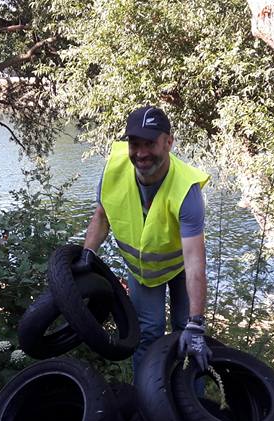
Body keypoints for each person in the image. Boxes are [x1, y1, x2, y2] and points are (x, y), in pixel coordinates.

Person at [72, 105, 213, 373]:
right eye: (135, 144)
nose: (141, 153)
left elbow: (195, 260)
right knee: (149, 333)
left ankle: (192, 397)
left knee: (188, 332)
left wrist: (197, 322)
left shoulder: (187, 189)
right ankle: (146, 397)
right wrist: (87, 255)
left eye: (150, 144)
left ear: (168, 142)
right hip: (144, 272)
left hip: (182, 267)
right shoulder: (114, 171)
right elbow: (102, 217)